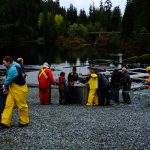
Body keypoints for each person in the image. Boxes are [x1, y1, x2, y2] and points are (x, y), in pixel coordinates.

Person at [0, 56, 29, 128]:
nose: (3, 64)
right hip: (13, 89)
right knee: (8, 105)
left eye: (4, 62)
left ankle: (24, 122)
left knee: (22, 106)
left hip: (20, 89)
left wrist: (4, 86)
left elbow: (9, 79)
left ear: (9, 62)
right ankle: (5, 122)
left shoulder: (13, 69)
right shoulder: (14, 65)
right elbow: (20, 65)